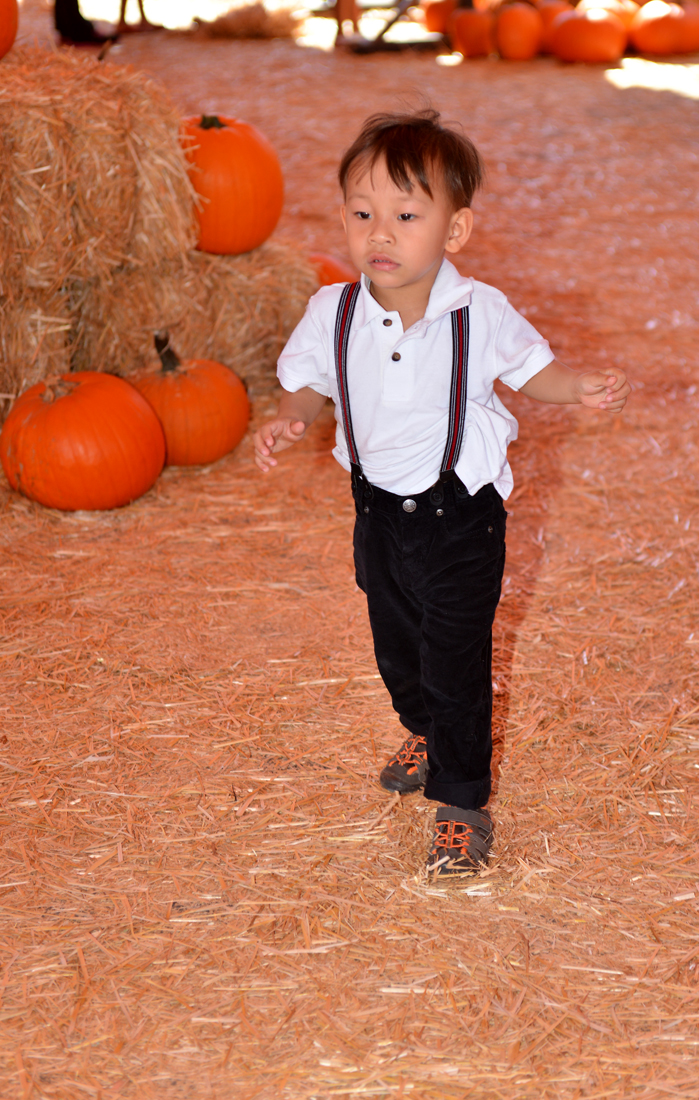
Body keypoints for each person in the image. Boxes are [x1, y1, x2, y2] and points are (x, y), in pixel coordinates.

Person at [253, 110, 630, 878]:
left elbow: (532, 372)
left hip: (460, 517)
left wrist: (577, 388)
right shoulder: (333, 312)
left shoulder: (478, 311)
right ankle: (422, 727)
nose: (379, 234)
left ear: (454, 232)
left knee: (454, 659)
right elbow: (306, 388)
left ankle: (461, 799)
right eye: (362, 214)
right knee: (398, 650)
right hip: (377, 518)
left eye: (404, 215)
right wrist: (288, 420)